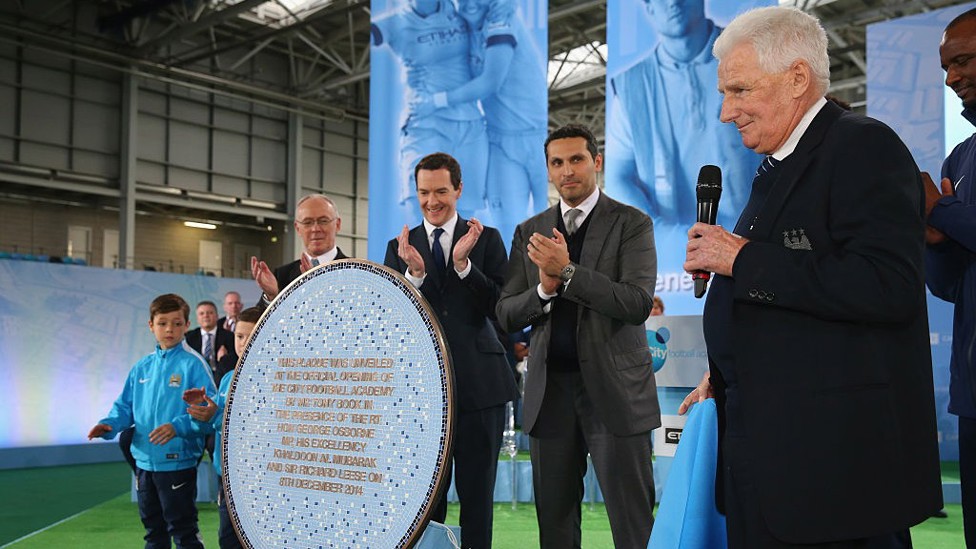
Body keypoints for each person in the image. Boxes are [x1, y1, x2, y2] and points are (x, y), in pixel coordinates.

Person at [680, 7, 942, 547]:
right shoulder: (776, 166)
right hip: (771, 469)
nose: (726, 113)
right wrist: (725, 372)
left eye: (738, 90)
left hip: (836, 479)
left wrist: (742, 259)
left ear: (798, 77)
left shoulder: (862, 146)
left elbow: (886, 286)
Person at [496, 124, 660, 548]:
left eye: (576, 159)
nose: (567, 170)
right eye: (557, 162)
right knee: (555, 528)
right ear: (548, 170)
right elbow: (507, 312)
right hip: (550, 396)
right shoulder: (528, 230)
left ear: (596, 162)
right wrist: (544, 290)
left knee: (634, 524)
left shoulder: (632, 223)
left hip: (617, 394)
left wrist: (566, 273)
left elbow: (636, 303)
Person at [383, 152, 516, 549]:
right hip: (420, 397)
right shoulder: (398, 248)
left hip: (481, 389)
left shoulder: (487, 239)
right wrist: (416, 276)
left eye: (441, 191)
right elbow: (391, 319)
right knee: (425, 504)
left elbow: (501, 308)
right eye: (424, 192)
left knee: (478, 501)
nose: (432, 201)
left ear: (458, 189)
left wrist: (463, 267)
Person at [605, 0, 762, 232]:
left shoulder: (753, 61)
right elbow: (618, 176)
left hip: (751, 241)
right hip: (674, 256)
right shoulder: (632, 86)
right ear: (648, 8)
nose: (672, 2)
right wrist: (656, 233)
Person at [413, 0, 549, 246]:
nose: (471, 4)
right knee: (510, 227)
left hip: (537, 140)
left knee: (549, 227)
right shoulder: (461, 29)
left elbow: (491, 81)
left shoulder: (501, 17)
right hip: (499, 141)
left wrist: (437, 100)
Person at [88, 293, 215, 549]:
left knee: (184, 532)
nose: (170, 329)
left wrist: (177, 426)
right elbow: (124, 408)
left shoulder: (194, 365)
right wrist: (109, 425)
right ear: (151, 325)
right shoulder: (141, 368)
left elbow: (208, 413)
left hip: (178, 462)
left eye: (177, 323)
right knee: (153, 533)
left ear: (187, 325)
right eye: (163, 323)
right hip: (144, 464)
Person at [924, 7, 976, 546]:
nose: (951, 78)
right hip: (972, 392)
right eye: (945, 66)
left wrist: (940, 212)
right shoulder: (962, 156)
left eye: (961, 61)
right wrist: (934, 242)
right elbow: (947, 284)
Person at [371, 0, 489, 222]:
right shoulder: (394, 23)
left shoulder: (460, 12)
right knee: (423, 213)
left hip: (470, 126)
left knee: (467, 216)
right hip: (426, 124)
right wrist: (401, 77)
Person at [183, 306, 263, 549]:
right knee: (227, 540)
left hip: (258, 481)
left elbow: (255, 431)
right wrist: (199, 411)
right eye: (239, 336)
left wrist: (215, 416)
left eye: (252, 335)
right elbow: (211, 422)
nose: (244, 342)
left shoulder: (274, 378)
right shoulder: (228, 377)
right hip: (226, 477)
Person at [250, 194, 349, 308]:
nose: (315, 229)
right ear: (297, 228)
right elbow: (259, 321)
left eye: (323, 221)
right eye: (307, 222)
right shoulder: (282, 276)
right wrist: (272, 297)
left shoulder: (355, 272)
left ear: (337, 224)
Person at [185, 300, 236, 383]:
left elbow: (233, 363)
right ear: (197, 318)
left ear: (217, 316)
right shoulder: (189, 337)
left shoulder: (230, 336)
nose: (206, 316)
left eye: (210, 313)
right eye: (202, 313)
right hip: (196, 377)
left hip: (220, 378)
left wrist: (223, 359)